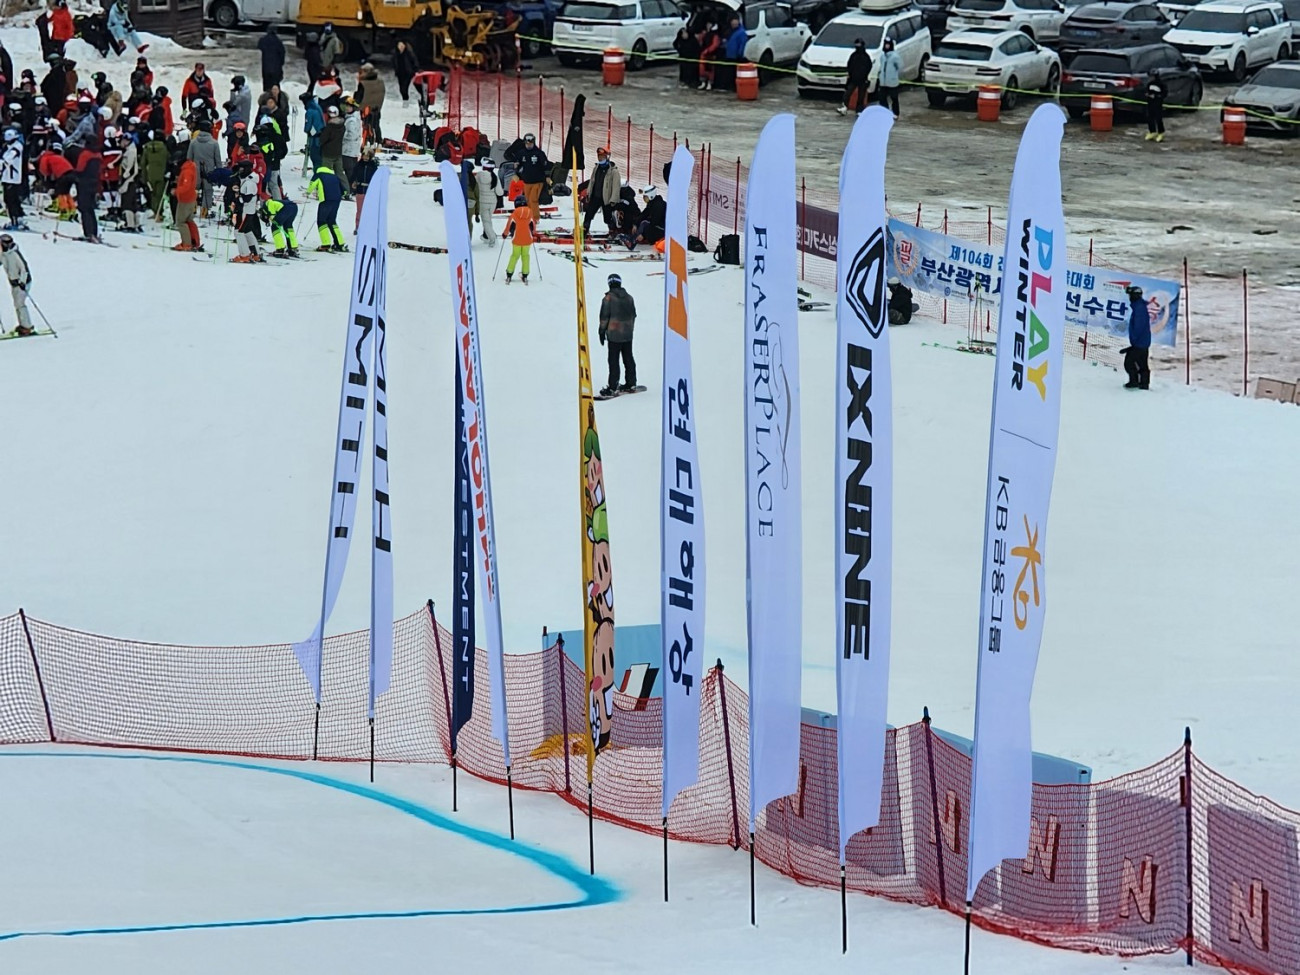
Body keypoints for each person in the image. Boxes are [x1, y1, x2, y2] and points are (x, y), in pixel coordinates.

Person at [598, 273, 637, 395]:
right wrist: (629, 329)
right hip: (627, 334)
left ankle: (613, 386)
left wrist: (601, 332)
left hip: (614, 335)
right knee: (628, 358)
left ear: (609, 283)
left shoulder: (608, 299)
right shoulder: (629, 298)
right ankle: (631, 382)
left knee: (613, 361)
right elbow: (633, 315)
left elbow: (604, 317)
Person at [230, 158, 265, 263]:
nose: (240, 171)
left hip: (246, 211)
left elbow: (247, 198)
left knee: (238, 232)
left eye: (242, 169)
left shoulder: (250, 182)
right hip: (248, 211)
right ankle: (255, 253)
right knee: (247, 231)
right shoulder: (247, 179)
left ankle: (244, 255)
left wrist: (237, 199)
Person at [307, 162, 347, 252]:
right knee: (332, 221)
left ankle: (326, 244)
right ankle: (340, 243)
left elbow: (312, 184)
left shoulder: (318, 174)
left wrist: (308, 192)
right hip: (336, 200)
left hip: (326, 200)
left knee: (321, 221)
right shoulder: (334, 176)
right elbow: (344, 191)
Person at [582, 145, 620, 237]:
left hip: (606, 199)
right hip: (595, 196)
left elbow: (616, 187)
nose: (600, 158)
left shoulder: (613, 171)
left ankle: (613, 231)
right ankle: (584, 230)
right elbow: (592, 181)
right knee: (589, 214)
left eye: (602, 157)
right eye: (599, 156)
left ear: (607, 157)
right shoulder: (596, 168)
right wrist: (588, 193)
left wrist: (613, 199)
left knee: (607, 218)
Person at [187, 119, 222, 217]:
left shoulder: (193, 142)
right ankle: (204, 212)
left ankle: (192, 208)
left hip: (195, 170)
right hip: (209, 171)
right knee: (208, 191)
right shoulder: (214, 143)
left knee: (194, 189)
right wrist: (219, 173)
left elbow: (189, 158)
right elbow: (218, 160)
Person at [0, 233, 33, 336]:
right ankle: (23, 325)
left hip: (22, 283)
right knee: (17, 304)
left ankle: (27, 327)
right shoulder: (3, 254)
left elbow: (24, 269)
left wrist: (22, 282)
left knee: (20, 304)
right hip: (13, 283)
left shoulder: (14, 254)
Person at [1122, 285, 1151, 390]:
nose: (1129, 297)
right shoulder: (1139, 306)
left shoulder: (1139, 308)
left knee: (1129, 363)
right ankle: (1143, 383)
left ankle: (1135, 382)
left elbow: (1138, 326)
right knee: (1142, 363)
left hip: (1140, 342)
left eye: (1130, 295)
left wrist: (1134, 343)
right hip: (1143, 341)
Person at [516, 131, 548, 223]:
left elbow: (545, 165)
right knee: (528, 200)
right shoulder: (521, 153)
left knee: (533, 199)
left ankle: (535, 218)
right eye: (527, 144)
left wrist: (547, 176)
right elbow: (518, 164)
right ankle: (530, 216)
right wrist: (517, 172)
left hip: (538, 180)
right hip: (527, 180)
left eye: (530, 144)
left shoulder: (539, 153)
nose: (528, 145)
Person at [502, 194, 535, 284]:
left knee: (515, 255)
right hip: (527, 239)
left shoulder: (514, 214)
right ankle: (525, 273)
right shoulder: (530, 212)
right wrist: (533, 233)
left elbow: (508, 226)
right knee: (525, 256)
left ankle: (509, 273)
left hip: (517, 239)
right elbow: (533, 225)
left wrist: (505, 234)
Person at [171, 154, 201, 251]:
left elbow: (186, 186)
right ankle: (194, 241)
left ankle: (186, 244)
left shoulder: (187, 171)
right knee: (189, 220)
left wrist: (176, 191)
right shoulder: (190, 167)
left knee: (180, 222)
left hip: (185, 200)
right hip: (191, 199)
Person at [1, 128, 27, 230]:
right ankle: (18, 219)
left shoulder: (16, 147)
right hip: (7, 177)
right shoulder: (9, 146)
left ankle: (15, 220)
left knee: (11, 201)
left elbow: (8, 159)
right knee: (11, 200)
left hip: (12, 178)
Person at [350, 143, 379, 232]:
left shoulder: (373, 166)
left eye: (367, 156)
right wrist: (353, 182)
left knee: (369, 210)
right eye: (364, 155)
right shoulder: (358, 165)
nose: (365, 157)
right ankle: (358, 226)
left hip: (369, 191)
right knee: (359, 210)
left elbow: (376, 178)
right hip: (360, 190)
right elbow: (353, 175)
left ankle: (368, 227)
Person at [627, 183, 665, 250]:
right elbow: (643, 214)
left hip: (663, 230)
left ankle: (641, 239)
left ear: (651, 196)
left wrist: (643, 235)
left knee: (647, 226)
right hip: (657, 226)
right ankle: (634, 237)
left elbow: (654, 222)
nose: (644, 199)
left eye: (645, 197)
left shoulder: (659, 206)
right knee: (643, 222)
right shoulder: (652, 203)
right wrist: (635, 224)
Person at [355, 62, 386, 143]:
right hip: (377, 108)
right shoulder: (380, 81)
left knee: (366, 126)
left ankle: (368, 141)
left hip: (366, 109)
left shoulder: (363, 84)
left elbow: (359, 98)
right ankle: (378, 140)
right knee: (376, 125)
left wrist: (354, 105)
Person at [840, 38, 871, 116]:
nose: (857, 46)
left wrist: (864, 75)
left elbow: (869, 66)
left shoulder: (866, 57)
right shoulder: (853, 55)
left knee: (861, 96)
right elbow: (849, 65)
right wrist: (850, 74)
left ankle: (859, 110)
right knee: (847, 93)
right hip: (853, 79)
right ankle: (844, 107)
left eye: (859, 45)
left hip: (862, 79)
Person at [472, 156, 498, 243]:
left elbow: (474, 188)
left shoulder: (478, 176)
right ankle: (486, 236)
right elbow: (500, 192)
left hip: (482, 202)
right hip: (493, 202)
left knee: (486, 221)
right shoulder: (495, 177)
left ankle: (492, 238)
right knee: (488, 220)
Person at [719, 13, 748, 92]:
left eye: (735, 22)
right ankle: (729, 86)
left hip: (736, 56)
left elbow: (742, 44)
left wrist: (740, 54)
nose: (733, 24)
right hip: (729, 55)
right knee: (729, 72)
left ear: (738, 22)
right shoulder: (731, 31)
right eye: (732, 22)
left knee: (734, 73)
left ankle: (734, 87)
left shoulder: (741, 32)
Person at [142, 127, 168, 216]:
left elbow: (143, 163)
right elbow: (168, 159)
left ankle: (154, 211)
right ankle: (159, 212)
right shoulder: (164, 147)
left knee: (152, 194)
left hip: (150, 174)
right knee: (159, 194)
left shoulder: (147, 147)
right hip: (162, 174)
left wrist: (144, 177)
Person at [319, 104, 345, 185]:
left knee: (326, 173)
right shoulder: (342, 126)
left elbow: (322, 139)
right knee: (340, 173)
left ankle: (327, 188)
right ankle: (346, 189)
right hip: (338, 152)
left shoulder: (329, 127)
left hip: (328, 153)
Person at [258, 23, 285, 93]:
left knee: (267, 86)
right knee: (275, 86)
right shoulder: (278, 42)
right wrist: (281, 64)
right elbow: (282, 54)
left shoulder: (263, 40)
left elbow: (259, 47)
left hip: (266, 67)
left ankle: (266, 97)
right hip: (276, 68)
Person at [341, 99, 361, 190]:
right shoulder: (354, 118)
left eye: (349, 106)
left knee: (349, 170)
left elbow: (352, 135)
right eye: (346, 106)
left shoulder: (351, 120)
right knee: (351, 170)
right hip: (353, 149)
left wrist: (342, 135)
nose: (347, 108)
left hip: (348, 149)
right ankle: (352, 188)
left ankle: (350, 188)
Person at [301, 91, 323, 174]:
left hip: (314, 138)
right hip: (321, 136)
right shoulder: (318, 107)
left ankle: (318, 175)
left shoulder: (310, 111)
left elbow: (308, 127)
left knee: (315, 157)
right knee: (320, 157)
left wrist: (307, 130)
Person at [878, 39, 902, 117]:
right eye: (885, 44)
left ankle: (895, 113)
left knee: (894, 98)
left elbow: (900, 66)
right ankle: (885, 112)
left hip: (892, 82)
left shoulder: (895, 56)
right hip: (883, 82)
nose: (886, 46)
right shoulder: (882, 56)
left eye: (888, 44)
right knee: (882, 98)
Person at [1145, 73, 1165, 143]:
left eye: (1152, 76)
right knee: (1149, 117)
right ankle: (1152, 132)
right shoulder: (1149, 84)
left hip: (1158, 104)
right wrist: (1147, 95)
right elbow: (1147, 91)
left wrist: (1156, 96)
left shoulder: (1161, 84)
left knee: (1158, 118)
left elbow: (1164, 94)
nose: (1150, 78)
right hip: (1150, 103)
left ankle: (1161, 133)